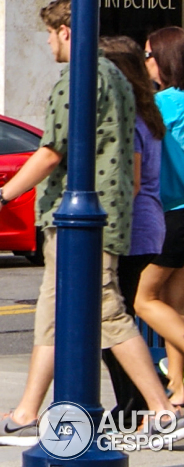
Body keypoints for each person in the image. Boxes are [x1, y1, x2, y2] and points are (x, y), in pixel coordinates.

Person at [0, 0, 179, 446]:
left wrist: (0, 197)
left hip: (82, 220)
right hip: (100, 217)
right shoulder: (121, 83)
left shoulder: (79, 79)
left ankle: (162, 411)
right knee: (50, 315)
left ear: (67, 31)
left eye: (50, 34)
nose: (48, 44)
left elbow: (51, 150)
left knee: (107, 311)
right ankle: (27, 413)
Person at [96, 36, 167, 421]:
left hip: (132, 227)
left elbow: (132, 180)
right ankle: (134, 403)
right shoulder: (147, 111)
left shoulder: (131, 118)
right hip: (149, 224)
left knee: (112, 322)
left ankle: (134, 405)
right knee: (117, 319)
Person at [137, 26, 184, 402]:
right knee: (172, 302)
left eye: (149, 55)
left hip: (175, 212)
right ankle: (179, 389)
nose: (145, 61)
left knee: (144, 300)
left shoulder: (162, 105)